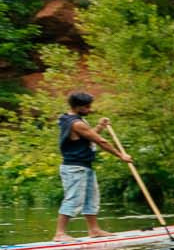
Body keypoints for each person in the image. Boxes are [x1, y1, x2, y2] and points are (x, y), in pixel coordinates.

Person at [54, 92, 130, 241]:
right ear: (77, 107)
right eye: (87, 107)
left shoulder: (77, 120)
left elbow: (89, 137)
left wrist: (100, 126)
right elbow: (101, 142)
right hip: (74, 168)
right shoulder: (76, 123)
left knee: (91, 198)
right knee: (73, 199)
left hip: (85, 165)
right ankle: (59, 234)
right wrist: (121, 155)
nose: (90, 109)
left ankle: (94, 230)